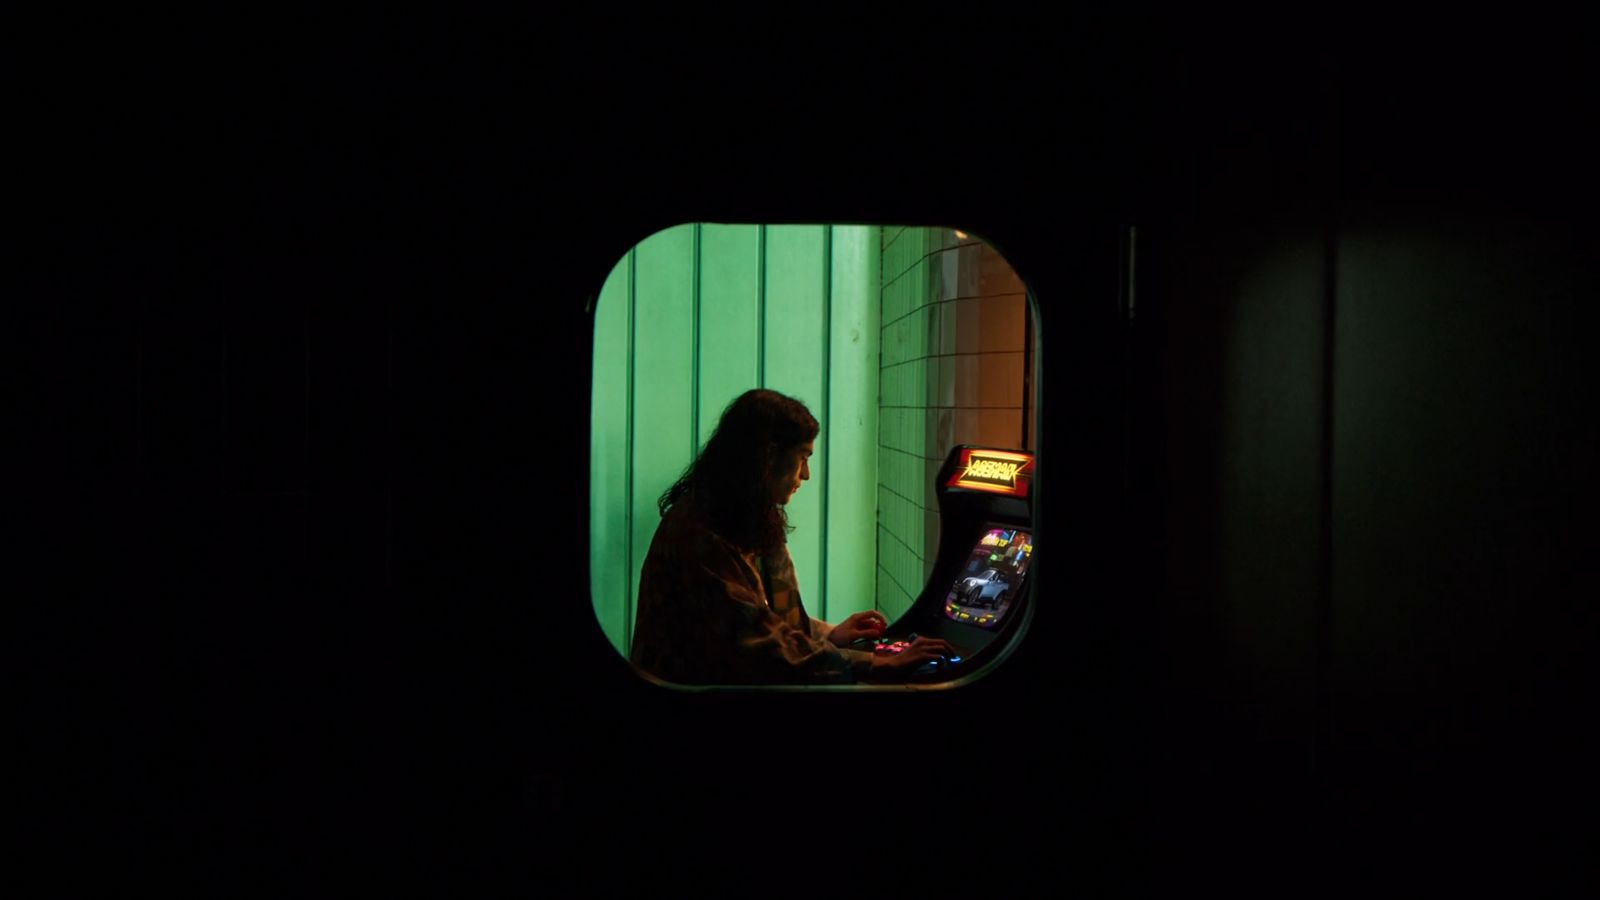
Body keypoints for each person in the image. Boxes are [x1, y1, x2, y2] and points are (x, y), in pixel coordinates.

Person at [629, 388, 954, 685]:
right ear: (767, 457)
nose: (807, 474)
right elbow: (757, 642)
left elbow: (783, 613)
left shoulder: (757, 517)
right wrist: (874, 663)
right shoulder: (697, 531)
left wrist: (831, 634)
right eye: (802, 456)